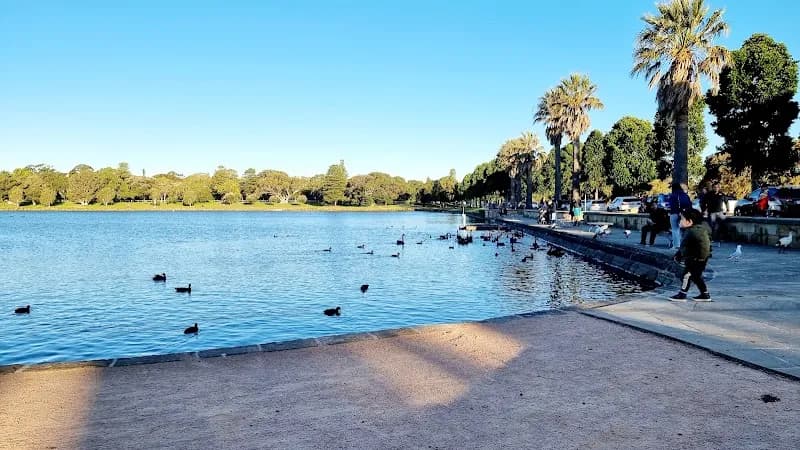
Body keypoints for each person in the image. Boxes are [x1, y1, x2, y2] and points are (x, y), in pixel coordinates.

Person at [670, 208, 712, 301]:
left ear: (689, 222)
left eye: (682, 219)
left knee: (686, 276)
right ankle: (705, 294)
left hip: (695, 259)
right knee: (696, 277)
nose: (680, 221)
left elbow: (684, 247)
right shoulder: (701, 229)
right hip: (702, 258)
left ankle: (682, 294)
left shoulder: (690, 232)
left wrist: (679, 256)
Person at [668, 182, 692, 249]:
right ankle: (683, 244)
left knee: (675, 229)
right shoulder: (685, 195)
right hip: (684, 214)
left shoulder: (673, 195)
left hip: (675, 213)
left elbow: (672, 205)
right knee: (683, 230)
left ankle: (676, 245)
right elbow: (689, 204)